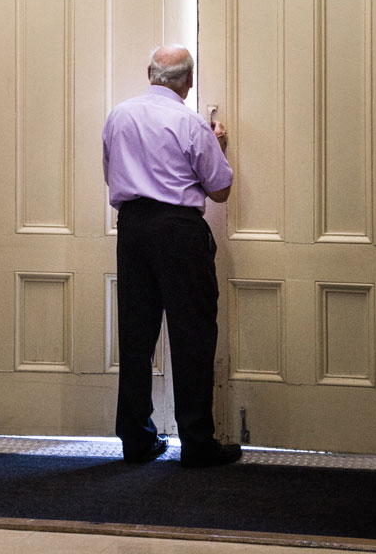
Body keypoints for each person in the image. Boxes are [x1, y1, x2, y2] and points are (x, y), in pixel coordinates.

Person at [105, 45, 241, 467]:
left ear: (150, 73)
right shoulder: (190, 122)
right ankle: (198, 444)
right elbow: (219, 189)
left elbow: (111, 171)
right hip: (179, 231)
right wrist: (218, 146)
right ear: (189, 80)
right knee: (192, 336)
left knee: (136, 335)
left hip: (133, 228)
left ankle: (136, 439)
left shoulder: (120, 115)